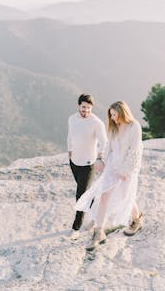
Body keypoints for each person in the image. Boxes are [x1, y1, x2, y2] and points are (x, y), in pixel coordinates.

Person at [75, 101, 143, 251]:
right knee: (104, 196)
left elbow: (135, 151)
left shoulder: (134, 127)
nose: (112, 118)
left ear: (122, 112)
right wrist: (102, 160)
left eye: (114, 114)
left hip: (128, 167)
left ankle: (136, 220)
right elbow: (109, 147)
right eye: (111, 115)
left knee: (126, 196)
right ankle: (99, 232)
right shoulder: (114, 127)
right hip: (113, 166)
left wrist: (126, 170)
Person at [67, 93, 107, 238]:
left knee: (81, 196)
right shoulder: (72, 119)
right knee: (86, 194)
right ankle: (98, 216)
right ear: (79, 106)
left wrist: (100, 158)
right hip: (74, 163)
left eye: (89, 108)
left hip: (88, 164)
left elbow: (104, 143)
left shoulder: (96, 123)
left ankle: (76, 228)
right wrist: (69, 151)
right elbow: (70, 135)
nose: (86, 111)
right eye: (84, 107)